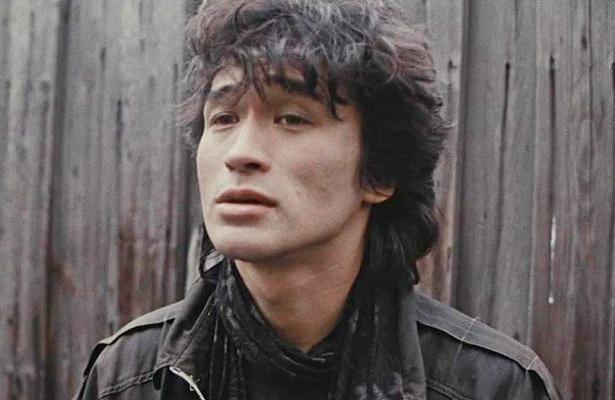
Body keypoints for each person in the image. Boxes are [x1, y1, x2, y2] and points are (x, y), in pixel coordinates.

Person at [74, 0, 561, 399]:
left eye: (292, 118)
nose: (240, 153)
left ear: (379, 173)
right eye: (223, 118)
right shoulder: (128, 377)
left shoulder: (492, 387)